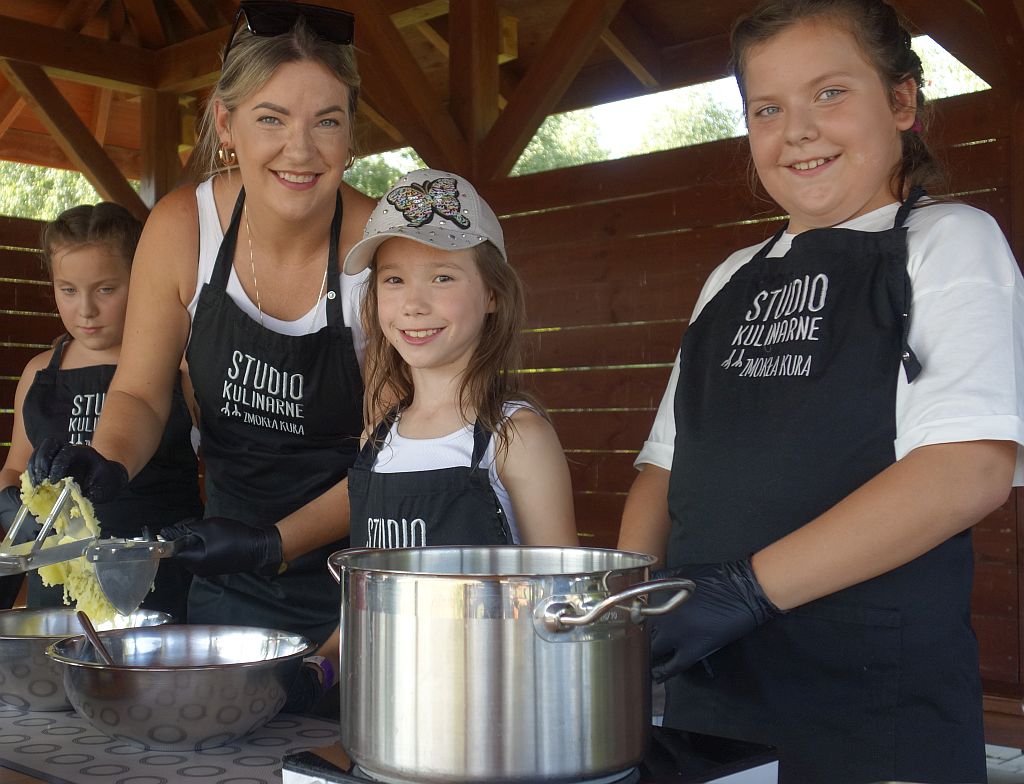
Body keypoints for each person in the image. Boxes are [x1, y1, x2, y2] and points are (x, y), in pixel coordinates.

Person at [616, 1, 1024, 781]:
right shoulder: (730, 279)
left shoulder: (951, 243)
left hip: (876, 714)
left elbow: (967, 470)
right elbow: (665, 471)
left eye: (829, 93)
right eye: (767, 108)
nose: (797, 129)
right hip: (715, 711)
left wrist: (747, 590)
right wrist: (623, 607)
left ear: (902, 102)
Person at [27, 1, 375, 648]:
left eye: (326, 121)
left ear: (351, 133)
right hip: (223, 580)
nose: (299, 150)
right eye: (270, 118)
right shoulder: (184, 227)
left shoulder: (378, 248)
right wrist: (107, 463)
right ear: (226, 123)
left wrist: (274, 542)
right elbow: (138, 392)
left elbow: (393, 457)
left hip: (359, 593)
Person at [278, 169, 578, 712]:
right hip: (383, 713)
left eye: (441, 277)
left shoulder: (515, 438)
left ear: (492, 294)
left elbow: (567, 607)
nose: (413, 304)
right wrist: (317, 669)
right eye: (393, 280)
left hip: (493, 716)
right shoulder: (378, 437)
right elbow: (366, 606)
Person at [0, 203, 201, 617]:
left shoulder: (178, 366)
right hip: (57, 587)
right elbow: (14, 468)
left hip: (159, 580)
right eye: (68, 290)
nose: (85, 309)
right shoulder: (39, 372)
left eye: (106, 290)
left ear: (142, 281)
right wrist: (16, 511)